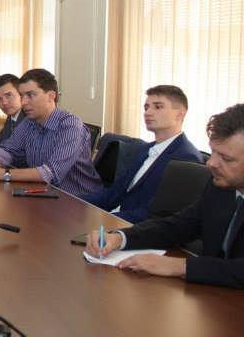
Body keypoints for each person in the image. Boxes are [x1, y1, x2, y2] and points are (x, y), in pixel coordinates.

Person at [86, 104, 244, 289]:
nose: (211, 163)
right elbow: (178, 226)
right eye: (213, 152)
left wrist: (180, 266)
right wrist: (120, 238)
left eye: (226, 158)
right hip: (213, 294)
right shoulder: (221, 186)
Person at [81, 85, 200, 223]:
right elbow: (113, 193)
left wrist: (105, 220)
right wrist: (72, 202)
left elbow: (157, 213)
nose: (148, 113)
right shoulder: (144, 149)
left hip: (137, 229)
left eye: (158, 107)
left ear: (180, 114)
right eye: (146, 107)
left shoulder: (186, 158)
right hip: (116, 220)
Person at [0, 68, 102, 196]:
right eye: (22, 96)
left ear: (51, 96)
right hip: (45, 194)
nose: (23, 102)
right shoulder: (29, 123)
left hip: (80, 200)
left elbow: (51, 173)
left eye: (31, 95)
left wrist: (2, 174)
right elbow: (8, 150)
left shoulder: (71, 126)